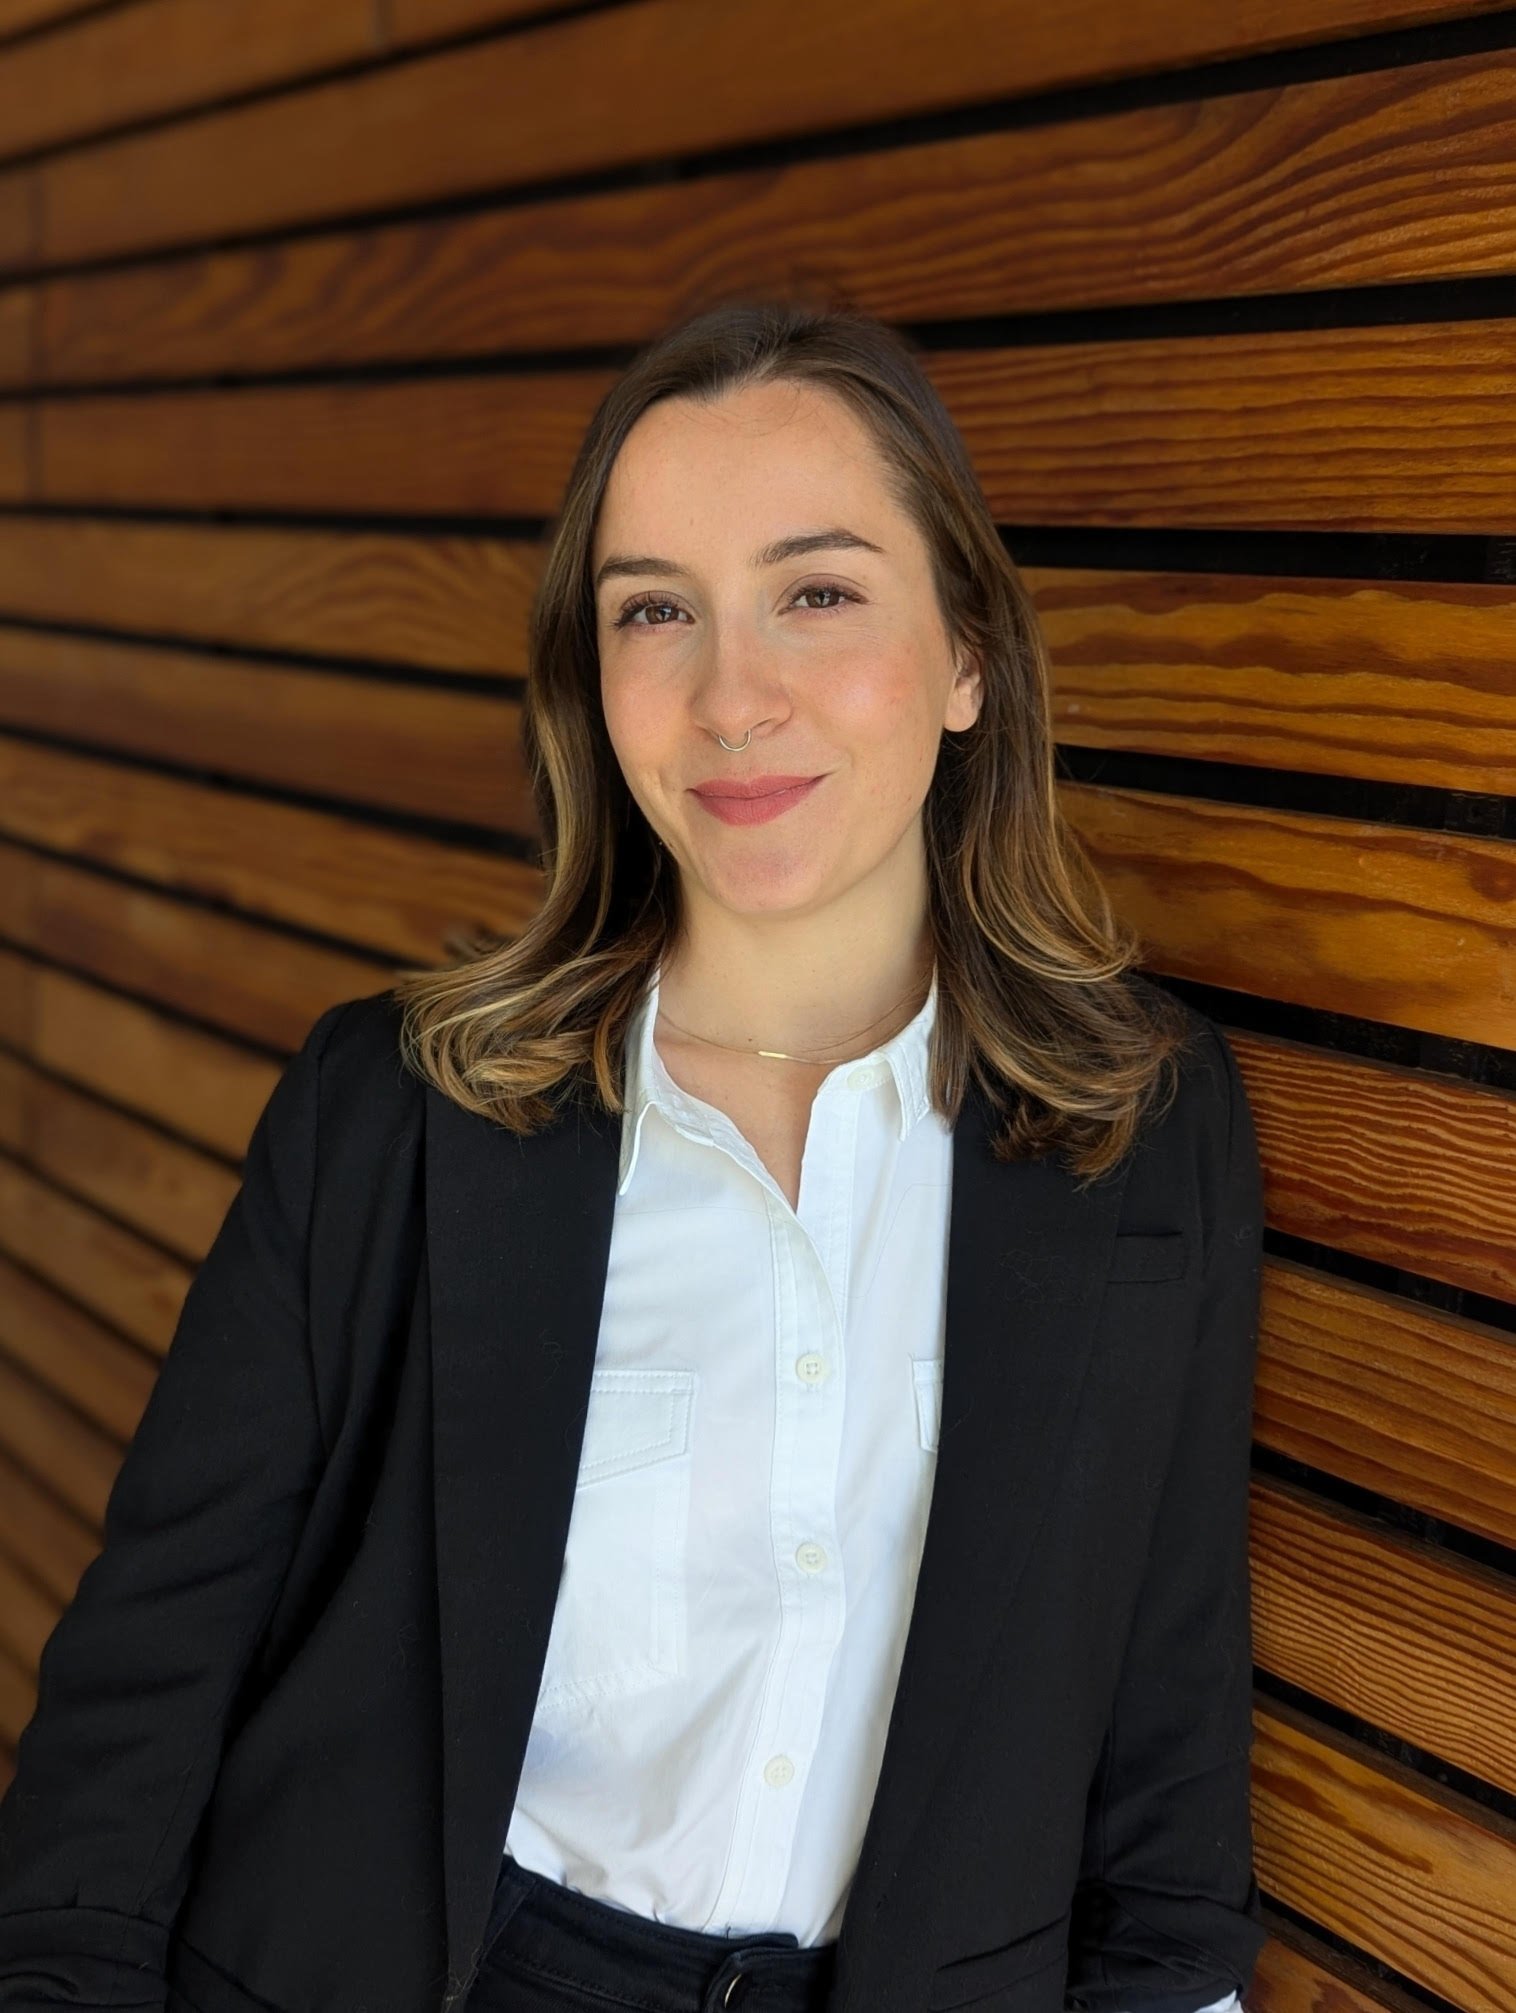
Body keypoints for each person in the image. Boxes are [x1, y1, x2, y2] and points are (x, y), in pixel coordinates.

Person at [0, 299, 1267, 2013]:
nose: (733, 695)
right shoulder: (397, 1113)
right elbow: (131, 1712)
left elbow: (1165, 1793)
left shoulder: (1146, 1134)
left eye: (816, 593)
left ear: (969, 653)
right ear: (592, 686)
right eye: (655, 610)